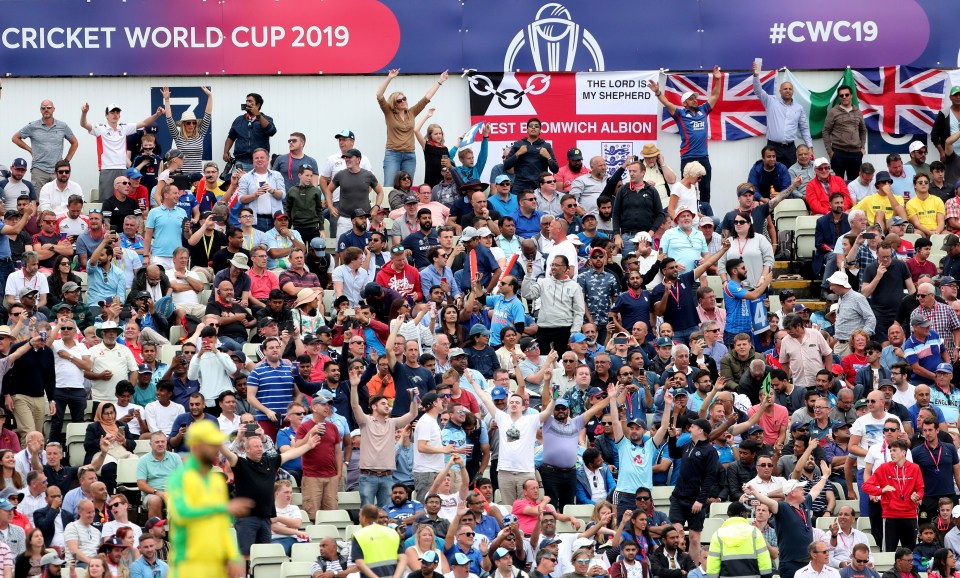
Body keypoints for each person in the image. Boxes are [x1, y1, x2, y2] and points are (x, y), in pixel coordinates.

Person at [166, 420, 251, 578]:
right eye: (211, 444)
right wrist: (223, 508)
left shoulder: (216, 480)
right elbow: (182, 514)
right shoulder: (180, 478)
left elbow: (222, 524)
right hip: (188, 566)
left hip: (216, 566)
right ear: (197, 445)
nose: (216, 448)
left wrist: (232, 557)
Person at [649, 68, 721, 207]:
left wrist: (717, 79)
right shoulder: (680, 113)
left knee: (705, 189)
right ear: (684, 103)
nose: (695, 100)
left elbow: (715, 95)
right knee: (686, 188)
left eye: (695, 98)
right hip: (687, 157)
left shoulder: (703, 110)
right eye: (691, 99)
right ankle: (685, 211)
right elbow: (667, 103)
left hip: (703, 157)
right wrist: (658, 92)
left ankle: (705, 215)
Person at [747, 471, 832, 578]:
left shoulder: (804, 504)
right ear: (792, 493)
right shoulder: (782, 507)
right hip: (791, 564)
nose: (804, 490)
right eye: (800, 489)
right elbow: (768, 501)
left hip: (808, 563)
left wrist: (825, 476)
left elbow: (815, 490)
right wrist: (753, 491)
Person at [376, 69, 448, 185]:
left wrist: (440, 81)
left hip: (409, 155)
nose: (403, 101)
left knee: (406, 186)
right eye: (399, 101)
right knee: (389, 185)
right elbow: (379, 95)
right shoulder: (389, 112)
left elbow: (426, 99)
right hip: (393, 154)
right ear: (394, 103)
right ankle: (387, 204)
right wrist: (389, 77)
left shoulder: (411, 112)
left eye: (404, 98)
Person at [706, 502, 772, 578]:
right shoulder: (755, 532)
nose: (747, 515)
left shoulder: (718, 534)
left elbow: (713, 562)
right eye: (746, 513)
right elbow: (763, 559)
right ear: (742, 513)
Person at [223, 93, 276, 171]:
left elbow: (271, 131)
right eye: (246, 101)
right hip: (240, 161)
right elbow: (231, 137)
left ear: (258, 105)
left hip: (259, 161)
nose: (247, 103)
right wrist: (225, 152)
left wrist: (257, 115)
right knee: (237, 183)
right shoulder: (239, 120)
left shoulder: (267, 119)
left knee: (259, 183)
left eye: (250, 101)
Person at [352, 504, 405, 578]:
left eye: (359, 516)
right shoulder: (393, 533)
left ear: (363, 517)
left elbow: (359, 563)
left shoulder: (359, 535)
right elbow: (403, 559)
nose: (359, 519)